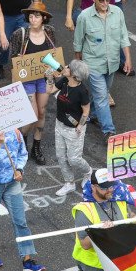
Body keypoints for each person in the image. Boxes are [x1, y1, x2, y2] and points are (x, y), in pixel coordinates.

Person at [0, 129, 46, 271]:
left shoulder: (16, 133)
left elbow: (22, 154)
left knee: (20, 221)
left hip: (12, 182)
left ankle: (27, 260)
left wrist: (19, 169)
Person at [73, 0, 131, 137]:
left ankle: (92, 114)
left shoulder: (117, 12)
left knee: (101, 93)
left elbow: (123, 37)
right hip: (93, 64)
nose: (105, 3)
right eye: (101, 0)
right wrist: (79, 64)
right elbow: (78, 42)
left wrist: (128, 60)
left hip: (111, 63)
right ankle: (109, 131)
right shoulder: (84, 16)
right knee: (102, 96)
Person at [12, 2, 56, 161]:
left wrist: (52, 79)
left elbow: (53, 56)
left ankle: (36, 146)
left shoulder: (50, 32)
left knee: (42, 112)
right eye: (30, 16)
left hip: (43, 78)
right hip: (26, 80)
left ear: (44, 18)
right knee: (32, 114)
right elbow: (13, 61)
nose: (33, 19)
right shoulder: (20, 34)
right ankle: (21, 138)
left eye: (36, 15)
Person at [50, 59, 94, 196]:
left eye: (68, 67)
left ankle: (88, 172)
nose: (65, 67)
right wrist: (49, 78)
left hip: (73, 129)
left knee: (74, 159)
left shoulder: (82, 91)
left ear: (74, 75)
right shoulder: (64, 81)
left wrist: (80, 125)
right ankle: (69, 183)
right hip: (60, 124)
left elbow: (86, 111)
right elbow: (50, 91)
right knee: (61, 156)